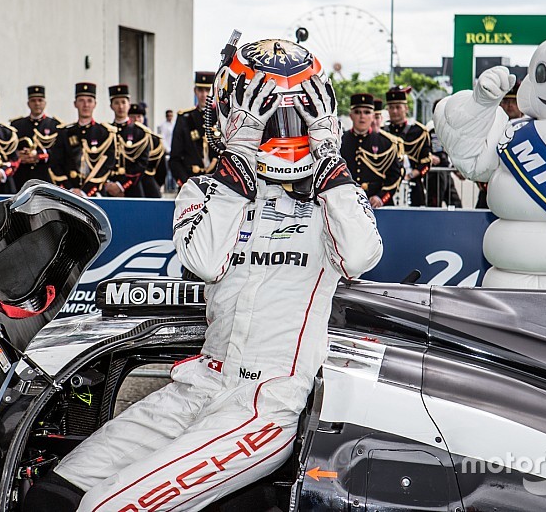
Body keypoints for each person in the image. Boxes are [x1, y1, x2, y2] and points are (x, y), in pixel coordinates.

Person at [25, 38, 383, 512]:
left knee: (103, 508)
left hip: (266, 404)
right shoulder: (205, 190)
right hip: (199, 385)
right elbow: (205, 261)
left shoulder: (330, 198)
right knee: (51, 496)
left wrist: (328, 162)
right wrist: (237, 166)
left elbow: (360, 257)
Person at [48, 82, 118, 197]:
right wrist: (70, 190)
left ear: (95, 104)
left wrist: (85, 192)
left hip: (95, 194)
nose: (86, 105)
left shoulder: (105, 134)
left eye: (89, 101)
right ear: (75, 104)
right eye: (81, 100)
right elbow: (56, 164)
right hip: (68, 194)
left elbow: (107, 166)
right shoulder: (65, 132)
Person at [341, 93, 403, 207]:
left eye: (367, 112)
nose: (362, 116)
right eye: (357, 112)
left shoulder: (387, 143)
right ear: (351, 115)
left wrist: (381, 197)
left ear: (373, 116)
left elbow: (395, 176)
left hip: (376, 205)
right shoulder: (339, 142)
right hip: (346, 204)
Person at [475, 82, 523, 208]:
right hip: (489, 190)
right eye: (506, 101)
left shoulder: (529, 128)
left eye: (514, 102)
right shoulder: (489, 127)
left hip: (518, 192)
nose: (510, 106)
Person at [382, 87, 432, 206]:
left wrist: (411, 175)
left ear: (406, 108)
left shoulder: (419, 131)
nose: (394, 111)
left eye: (398, 107)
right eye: (391, 107)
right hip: (387, 189)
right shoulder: (382, 133)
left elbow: (426, 161)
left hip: (413, 187)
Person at [169, 71, 217, 187]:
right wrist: (186, 183)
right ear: (195, 91)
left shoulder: (220, 117)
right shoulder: (185, 118)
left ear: (213, 92)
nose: (204, 95)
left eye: (207, 90)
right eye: (200, 90)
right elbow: (175, 157)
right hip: (190, 180)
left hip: (217, 182)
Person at [10, 85, 62, 187]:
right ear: (28, 103)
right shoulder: (17, 125)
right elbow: (10, 150)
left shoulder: (55, 125)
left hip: (45, 178)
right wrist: (19, 156)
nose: (37, 104)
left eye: (40, 100)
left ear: (45, 103)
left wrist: (39, 156)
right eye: (33, 100)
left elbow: (58, 152)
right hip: (21, 178)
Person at [106, 84, 151, 197]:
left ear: (129, 104)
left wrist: (121, 186)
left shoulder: (140, 132)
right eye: (116, 103)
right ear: (111, 106)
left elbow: (142, 163)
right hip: (108, 188)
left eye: (123, 102)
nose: (120, 106)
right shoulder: (105, 131)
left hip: (133, 188)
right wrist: (108, 184)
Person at [426, 99, 462, 208]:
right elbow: (439, 154)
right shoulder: (433, 129)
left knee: (456, 205)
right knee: (434, 206)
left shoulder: (447, 129)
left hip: (445, 172)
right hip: (436, 175)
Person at [128, 103, 166, 198]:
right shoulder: (123, 138)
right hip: (128, 182)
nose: (136, 120)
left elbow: (161, 169)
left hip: (148, 183)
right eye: (132, 117)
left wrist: (156, 184)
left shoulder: (154, 140)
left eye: (139, 116)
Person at [157, 108, 176, 192]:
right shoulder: (163, 125)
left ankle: (173, 187)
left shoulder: (174, 124)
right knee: (168, 171)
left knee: (173, 170)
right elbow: (163, 138)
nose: (170, 117)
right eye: (168, 116)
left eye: (171, 115)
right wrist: (168, 149)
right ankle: (168, 188)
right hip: (167, 150)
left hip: (174, 150)